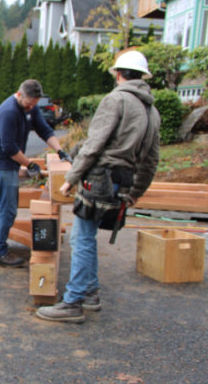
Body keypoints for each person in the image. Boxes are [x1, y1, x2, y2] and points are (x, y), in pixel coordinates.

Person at [36, 50, 160, 324]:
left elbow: (94, 145)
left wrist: (71, 177)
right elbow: (151, 160)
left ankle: (73, 302)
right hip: (123, 181)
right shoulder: (151, 111)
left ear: (118, 74)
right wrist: (136, 192)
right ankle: (90, 293)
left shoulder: (115, 100)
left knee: (81, 238)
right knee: (88, 236)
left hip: (100, 177)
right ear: (142, 77)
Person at [0, 79, 71, 267]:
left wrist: (60, 151)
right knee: (8, 211)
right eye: (28, 104)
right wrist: (30, 165)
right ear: (19, 94)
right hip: (1, 167)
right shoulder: (8, 112)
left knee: (5, 208)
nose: (31, 108)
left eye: (34, 105)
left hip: (8, 166)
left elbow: (44, 130)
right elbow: (9, 147)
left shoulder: (30, 108)